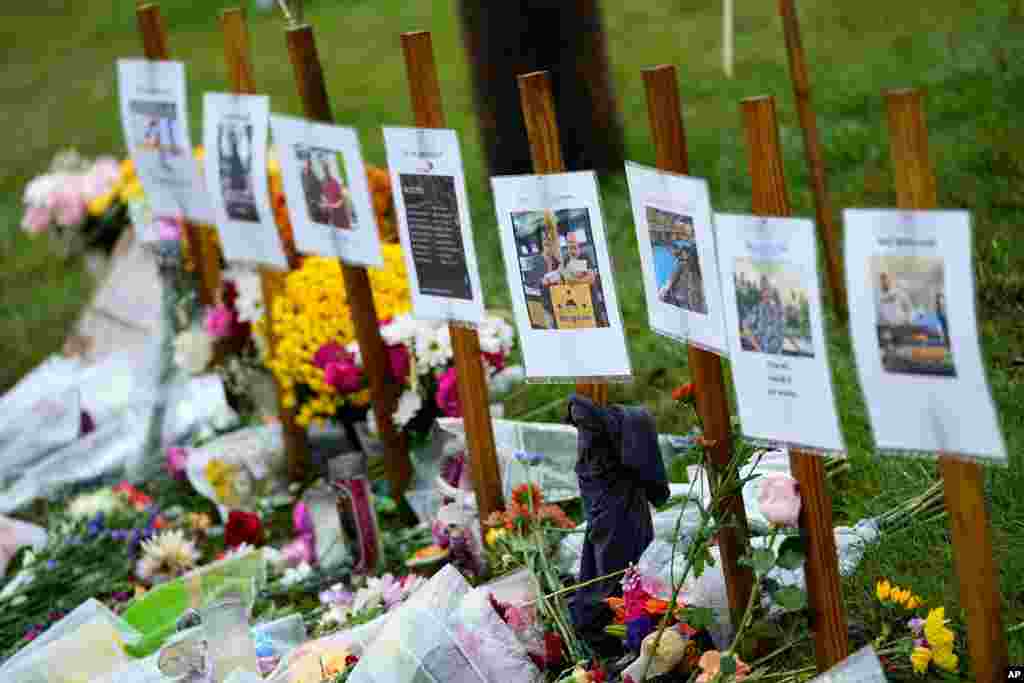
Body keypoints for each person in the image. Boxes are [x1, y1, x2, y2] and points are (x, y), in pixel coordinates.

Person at [742, 276, 785, 354]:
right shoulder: (757, 309)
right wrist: (757, 347)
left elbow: (781, 330)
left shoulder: (777, 309)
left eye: (769, 288)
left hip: (778, 354)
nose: (767, 291)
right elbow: (745, 325)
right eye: (765, 289)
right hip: (764, 353)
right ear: (762, 292)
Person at [320, 160, 351, 230]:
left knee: (345, 227)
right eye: (324, 169)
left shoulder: (335, 181)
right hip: (333, 212)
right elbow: (325, 196)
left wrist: (335, 204)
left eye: (326, 168)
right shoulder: (323, 183)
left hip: (340, 210)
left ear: (328, 169)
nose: (326, 171)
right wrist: (326, 204)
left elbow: (342, 198)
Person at [300, 156, 323, 223]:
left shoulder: (312, 173)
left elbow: (318, 184)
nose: (309, 165)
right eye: (308, 163)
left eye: (309, 164)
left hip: (315, 201)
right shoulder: (302, 175)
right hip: (311, 203)